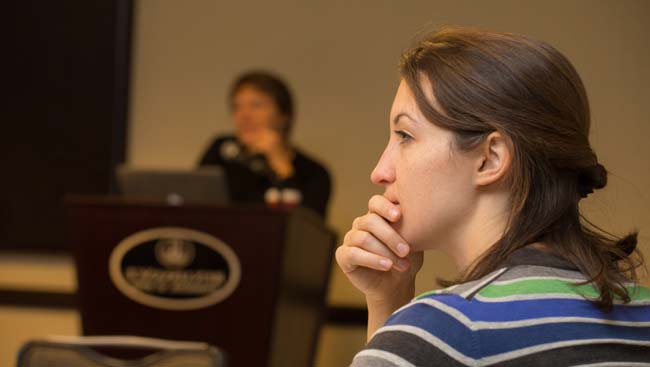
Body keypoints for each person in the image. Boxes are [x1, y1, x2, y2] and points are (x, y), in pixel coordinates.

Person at [336, 27, 649, 366]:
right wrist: (388, 298)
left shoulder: (444, 331)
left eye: (405, 135)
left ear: (490, 158)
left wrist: (394, 325)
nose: (380, 171)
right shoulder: (642, 313)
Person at [199, 71, 331, 217]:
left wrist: (281, 165)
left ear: (283, 115)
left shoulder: (314, 173)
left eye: (256, 105)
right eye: (237, 107)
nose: (244, 115)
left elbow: (306, 229)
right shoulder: (221, 151)